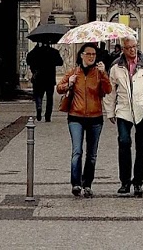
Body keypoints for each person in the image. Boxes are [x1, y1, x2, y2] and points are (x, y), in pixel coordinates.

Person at [103, 36, 143, 196]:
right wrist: (110, 111)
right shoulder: (116, 66)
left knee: (142, 148)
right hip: (123, 109)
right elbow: (110, 91)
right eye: (128, 47)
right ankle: (125, 181)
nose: (132, 50)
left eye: (134, 47)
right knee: (124, 142)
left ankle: (138, 182)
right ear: (123, 49)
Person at [57, 43, 112, 198]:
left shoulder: (99, 73)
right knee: (77, 151)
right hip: (76, 117)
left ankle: (87, 184)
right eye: (88, 54)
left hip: (95, 118)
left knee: (92, 155)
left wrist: (104, 74)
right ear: (81, 55)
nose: (91, 57)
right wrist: (69, 83)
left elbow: (108, 90)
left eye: (94, 54)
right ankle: (76, 183)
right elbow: (59, 88)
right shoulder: (74, 72)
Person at [27, 39, 63, 122]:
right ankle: (48, 116)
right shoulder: (53, 52)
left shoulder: (35, 52)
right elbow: (60, 62)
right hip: (49, 78)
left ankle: (39, 107)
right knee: (49, 98)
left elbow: (28, 60)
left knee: (38, 95)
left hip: (38, 78)